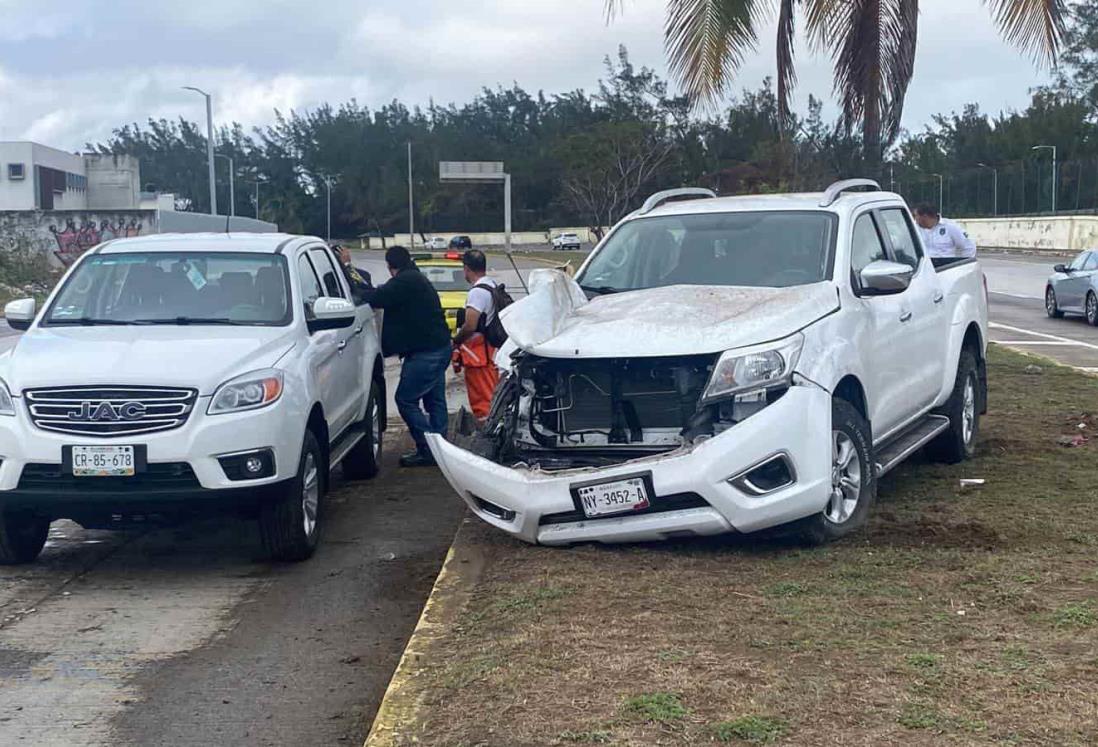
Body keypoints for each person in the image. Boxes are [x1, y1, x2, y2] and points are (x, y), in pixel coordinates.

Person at [358, 246, 452, 467]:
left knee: (405, 399)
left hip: (426, 353)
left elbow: (376, 297)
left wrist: (355, 289)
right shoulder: (415, 277)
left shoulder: (405, 281)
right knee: (434, 400)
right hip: (438, 348)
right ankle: (442, 450)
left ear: (391, 267)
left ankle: (430, 449)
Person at [451, 249, 501, 421]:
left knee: (482, 401)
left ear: (466, 269)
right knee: (491, 395)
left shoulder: (477, 293)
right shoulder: (492, 285)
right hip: (489, 352)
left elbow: (470, 325)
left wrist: (456, 341)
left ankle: (488, 437)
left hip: (478, 356)